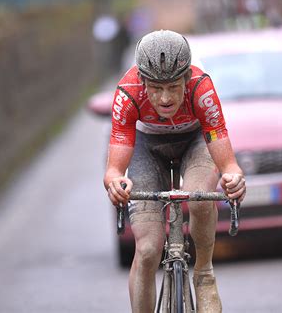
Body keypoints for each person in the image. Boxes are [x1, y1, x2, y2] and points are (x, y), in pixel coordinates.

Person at [103, 29, 246, 313]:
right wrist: (116, 182)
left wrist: (232, 175)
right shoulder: (127, 93)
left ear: (187, 79)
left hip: (195, 142)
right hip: (148, 148)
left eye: (173, 87)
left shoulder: (201, 87)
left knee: (199, 196)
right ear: (142, 82)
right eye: (156, 88)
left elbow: (220, 145)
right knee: (146, 251)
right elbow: (115, 168)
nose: (165, 98)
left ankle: (203, 272)